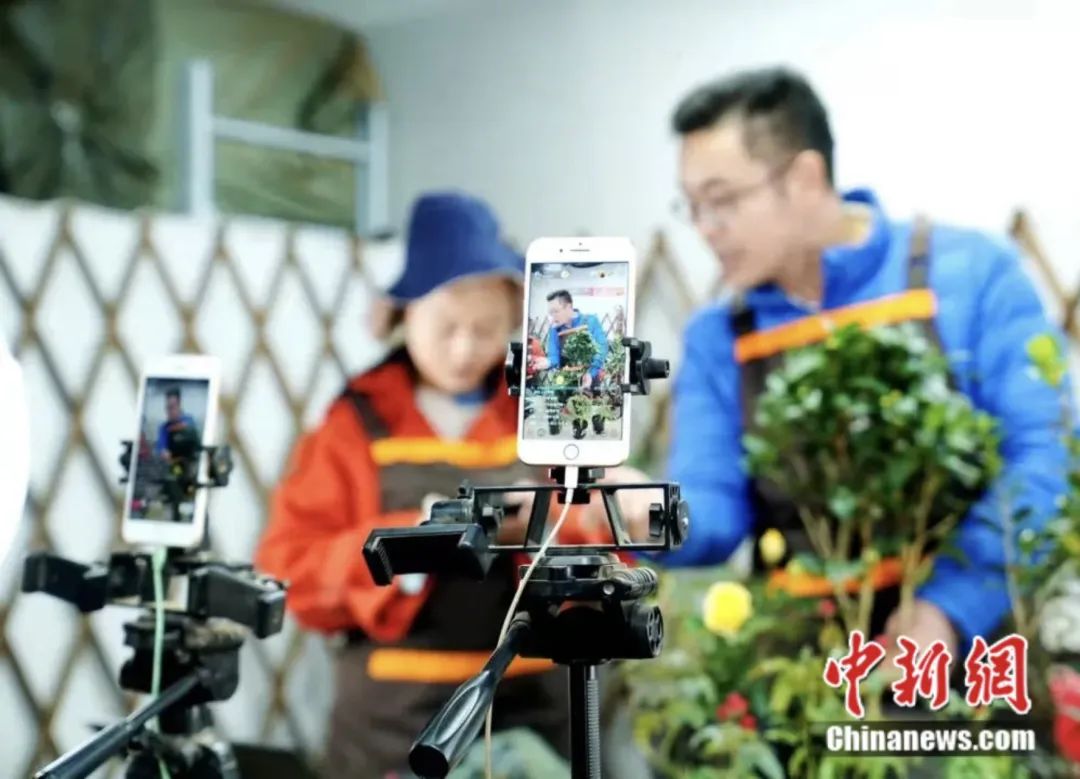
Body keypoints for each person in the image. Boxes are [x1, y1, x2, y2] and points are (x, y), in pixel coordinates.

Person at [612, 66, 1069, 668]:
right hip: (805, 663)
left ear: (804, 177)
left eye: (722, 202)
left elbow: (1042, 455)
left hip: (973, 649)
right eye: (691, 207)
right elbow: (715, 507)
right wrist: (639, 509)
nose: (704, 230)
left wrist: (948, 607)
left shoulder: (970, 273)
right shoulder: (718, 336)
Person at [254, 192, 616, 779]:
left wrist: (539, 525)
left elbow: (607, 550)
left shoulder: (546, 413)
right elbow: (291, 572)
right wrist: (418, 539)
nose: (465, 349)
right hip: (392, 730)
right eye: (446, 328)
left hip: (533, 717)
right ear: (404, 315)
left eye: (486, 329)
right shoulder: (356, 423)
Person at [537, 290, 608, 389]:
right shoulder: (555, 330)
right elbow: (554, 356)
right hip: (566, 382)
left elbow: (601, 349)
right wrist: (547, 363)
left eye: (556, 311)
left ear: (569, 307)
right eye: (550, 313)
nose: (553, 317)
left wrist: (591, 373)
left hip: (590, 380)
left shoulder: (591, 321)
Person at [155, 387, 199, 462]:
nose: (169, 411)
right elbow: (160, 447)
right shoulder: (163, 428)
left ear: (179, 406)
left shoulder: (189, 421)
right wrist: (163, 452)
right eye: (168, 407)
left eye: (172, 407)